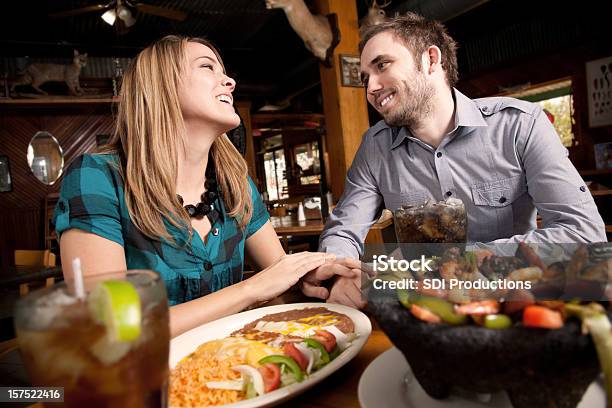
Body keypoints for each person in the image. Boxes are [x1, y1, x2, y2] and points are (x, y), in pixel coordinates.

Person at [54, 35, 355, 337]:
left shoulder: (234, 182)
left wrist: (315, 278)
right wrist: (251, 289)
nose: (230, 82)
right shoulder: (97, 177)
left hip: (231, 367)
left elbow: (280, 278)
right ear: (162, 87)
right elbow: (110, 328)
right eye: (207, 67)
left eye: (223, 70)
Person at [311, 13, 607, 308]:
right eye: (365, 78)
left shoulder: (519, 125)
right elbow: (343, 230)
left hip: (514, 303)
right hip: (420, 311)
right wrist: (340, 273)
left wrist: (455, 260)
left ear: (430, 59)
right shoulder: (374, 147)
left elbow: (583, 231)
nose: (371, 88)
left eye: (382, 65)